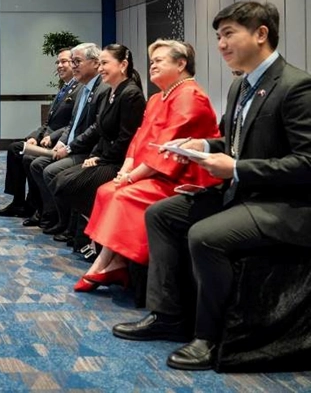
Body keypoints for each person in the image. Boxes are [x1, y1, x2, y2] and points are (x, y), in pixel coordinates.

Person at [112, 1, 311, 371]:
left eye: (228, 34)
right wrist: (201, 147)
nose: (220, 44)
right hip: (241, 193)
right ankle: (168, 315)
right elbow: (234, 142)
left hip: (285, 205)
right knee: (161, 214)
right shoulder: (241, 86)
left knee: (205, 236)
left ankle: (210, 337)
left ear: (261, 34)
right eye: (219, 36)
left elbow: (307, 163)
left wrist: (236, 169)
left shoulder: (296, 86)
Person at [75, 40, 221, 292]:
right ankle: (116, 260)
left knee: (123, 195)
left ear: (181, 63)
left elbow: (166, 149)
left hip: (182, 178)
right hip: (155, 173)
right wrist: (126, 169)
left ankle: (103, 263)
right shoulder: (156, 98)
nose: (152, 66)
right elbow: (139, 139)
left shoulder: (190, 95)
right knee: (107, 190)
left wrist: (131, 178)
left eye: (159, 61)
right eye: (151, 61)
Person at [48, 44, 146, 244]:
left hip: (117, 163)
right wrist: (95, 155)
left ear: (123, 65)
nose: (100, 68)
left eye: (105, 63)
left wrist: (99, 159)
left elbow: (126, 140)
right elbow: (101, 131)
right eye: (99, 63)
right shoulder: (112, 91)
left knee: (66, 182)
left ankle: (96, 234)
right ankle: (93, 232)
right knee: (61, 182)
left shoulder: (131, 94)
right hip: (101, 156)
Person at [0, 49, 79, 219]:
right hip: (46, 139)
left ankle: (34, 205)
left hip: (60, 143)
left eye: (64, 62)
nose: (60, 66)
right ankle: (18, 202)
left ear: (74, 63)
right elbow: (48, 123)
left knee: (25, 156)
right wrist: (33, 137)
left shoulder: (79, 89)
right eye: (58, 62)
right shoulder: (64, 89)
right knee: (16, 148)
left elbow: (72, 124)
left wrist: (51, 137)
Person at [29, 43, 109, 231]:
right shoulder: (82, 88)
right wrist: (63, 141)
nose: (73, 66)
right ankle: (53, 214)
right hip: (71, 146)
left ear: (95, 63)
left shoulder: (102, 89)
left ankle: (65, 221)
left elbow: (95, 129)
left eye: (77, 61)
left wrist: (69, 148)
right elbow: (72, 123)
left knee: (48, 170)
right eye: (71, 61)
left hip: (87, 152)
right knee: (35, 163)